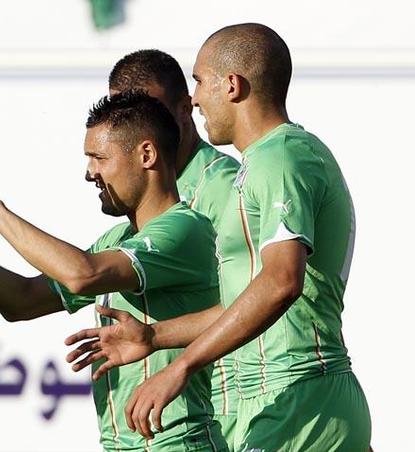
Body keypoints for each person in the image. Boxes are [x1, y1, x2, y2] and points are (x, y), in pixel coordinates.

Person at [66, 24, 372, 450]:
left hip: (299, 393)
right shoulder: (262, 162)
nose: (193, 99)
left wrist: (182, 366)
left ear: (232, 85)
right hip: (281, 400)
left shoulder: (282, 157)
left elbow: (282, 282)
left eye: (199, 81)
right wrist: (155, 337)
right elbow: (244, 301)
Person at [0, 91, 227, 450]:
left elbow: (81, 275)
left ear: (146, 155)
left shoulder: (184, 229)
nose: (89, 173)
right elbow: (21, 301)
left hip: (179, 443)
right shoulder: (117, 240)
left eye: (99, 158)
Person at [105, 48, 242, 443]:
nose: (134, 123)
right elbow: (40, 291)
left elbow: (265, 294)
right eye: (121, 113)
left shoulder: (224, 187)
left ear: (185, 108)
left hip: (229, 411)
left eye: (149, 109)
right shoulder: (139, 197)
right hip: (160, 419)